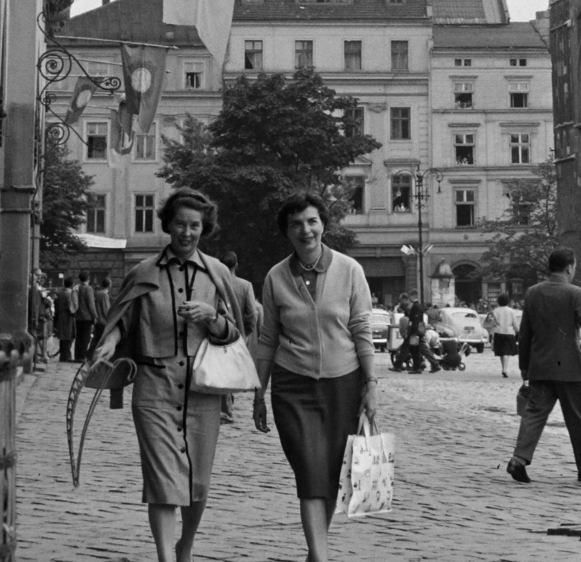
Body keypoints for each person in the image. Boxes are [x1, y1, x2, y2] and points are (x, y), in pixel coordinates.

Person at [91, 189, 243, 562]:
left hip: (202, 390)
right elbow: (122, 321)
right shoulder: (143, 272)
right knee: (162, 481)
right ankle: (164, 557)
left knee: (198, 483)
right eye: (180, 224)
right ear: (168, 225)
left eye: (195, 226)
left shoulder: (217, 274)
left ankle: (184, 545)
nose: (187, 233)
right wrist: (109, 342)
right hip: (154, 389)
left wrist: (212, 317)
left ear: (204, 228)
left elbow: (235, 334)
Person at [253, 192, 378, 562]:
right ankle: (321, 558)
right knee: (309, 470)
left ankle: (315, 552)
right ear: (287, 232)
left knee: (330, 472)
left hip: (343, 384)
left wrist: (371, 385)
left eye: (311, 221)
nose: (305, 230)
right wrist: (259, 393)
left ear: (323, 224)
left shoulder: (350, 270)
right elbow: (268, 339)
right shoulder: (276, 277)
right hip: (292, 385)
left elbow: (361, 330)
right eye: (296, 224)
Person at [506, 246, 581, 488]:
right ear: (570, 267)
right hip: (570, 369)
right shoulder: (576, 293)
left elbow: (525, 333)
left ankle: (519, 459)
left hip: (540, 367)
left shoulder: (533, 293)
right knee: (578, 422)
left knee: (534, 415)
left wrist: (524, 366)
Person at [220, 250, 258, 425]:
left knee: (222, 370)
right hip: (238, 334)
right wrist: (246, 333)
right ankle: (226, 408)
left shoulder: (216, 283)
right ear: (236, 265)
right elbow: (252, 313)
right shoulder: (245, 285)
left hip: (220, 331)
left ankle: (226, 407)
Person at [488, 292, 520, 378]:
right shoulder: (511, 311)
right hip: (509, 333)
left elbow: (493, 324)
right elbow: (515, 324)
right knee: (507, 352)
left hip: (498, 333)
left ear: (498, 301)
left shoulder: (495, 311)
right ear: (507, 301)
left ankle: (503, 368)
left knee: (501, 352)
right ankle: (505, 369)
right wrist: (517, 331)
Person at [75, 269, 98, 360]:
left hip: (78, 316)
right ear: (88, 278)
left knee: (79, 337)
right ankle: (83, 356)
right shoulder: (88, 289)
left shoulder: (77, 287)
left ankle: (77, 356)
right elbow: (91, 304)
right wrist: (95, 316)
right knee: (85, 337)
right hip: (87, 317)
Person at [53, 277, 75, 362]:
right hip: (68, 317)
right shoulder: (70, 293)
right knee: (68, 336)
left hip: (60, 315)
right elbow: (70, 306)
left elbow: (56, 304)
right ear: (72, 284)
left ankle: (62, 355)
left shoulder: (59, 292)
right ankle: (67, 356)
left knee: (62, 336)